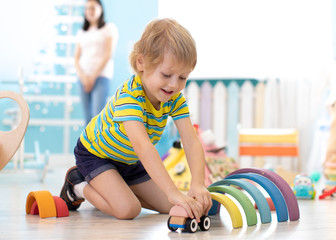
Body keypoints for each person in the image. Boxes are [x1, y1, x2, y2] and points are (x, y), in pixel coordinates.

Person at [60, 18, 212, 221]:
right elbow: (143, 146)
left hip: (129, 160)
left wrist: (198, 183)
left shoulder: (173, 96)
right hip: (96, 155)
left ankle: (117, 186)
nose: (174, 85)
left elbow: (191, 140)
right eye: (166, 74)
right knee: (128, 209)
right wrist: (172, 190)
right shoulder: (130, 97)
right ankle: (77, 185)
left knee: (170, 205)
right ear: (141, 63)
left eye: (183, 77)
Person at [74, 0, 118, 125]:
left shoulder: (109, 28)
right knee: (87, 117)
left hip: (101, 77)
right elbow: (76, 58)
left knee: (98, 117)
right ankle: (88, 145)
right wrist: (83, 77)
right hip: (83, 78)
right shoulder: (82, 32)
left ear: (100, 9)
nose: (89, 11)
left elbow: (108, 54)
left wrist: (92, 77)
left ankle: (99, 144)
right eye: (87, 8)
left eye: (93, 8)